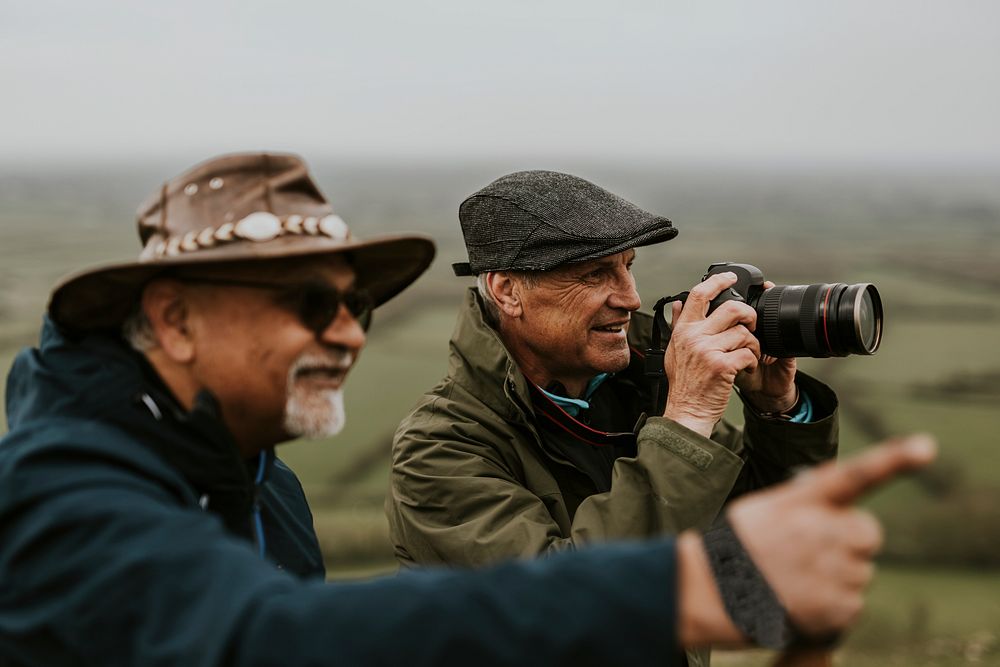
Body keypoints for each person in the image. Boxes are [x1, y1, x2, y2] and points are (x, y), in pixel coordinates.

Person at [0, 153, 929, 666]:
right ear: (174, 318)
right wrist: (675, 537)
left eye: (356, 306)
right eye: (308, 305)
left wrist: (776, 412)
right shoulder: (64, 489)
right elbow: (266, 640)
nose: (350, 336)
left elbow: (754, 544)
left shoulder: (257, 479)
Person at [387, 170, 840, 571]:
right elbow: (559, 604)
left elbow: (758, 540)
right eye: (595, 275)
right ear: (506, 291)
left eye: (628, 268)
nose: (631, 298)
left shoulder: (648, 388)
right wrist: (686, 420)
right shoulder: (440, 447)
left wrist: (778, 411)